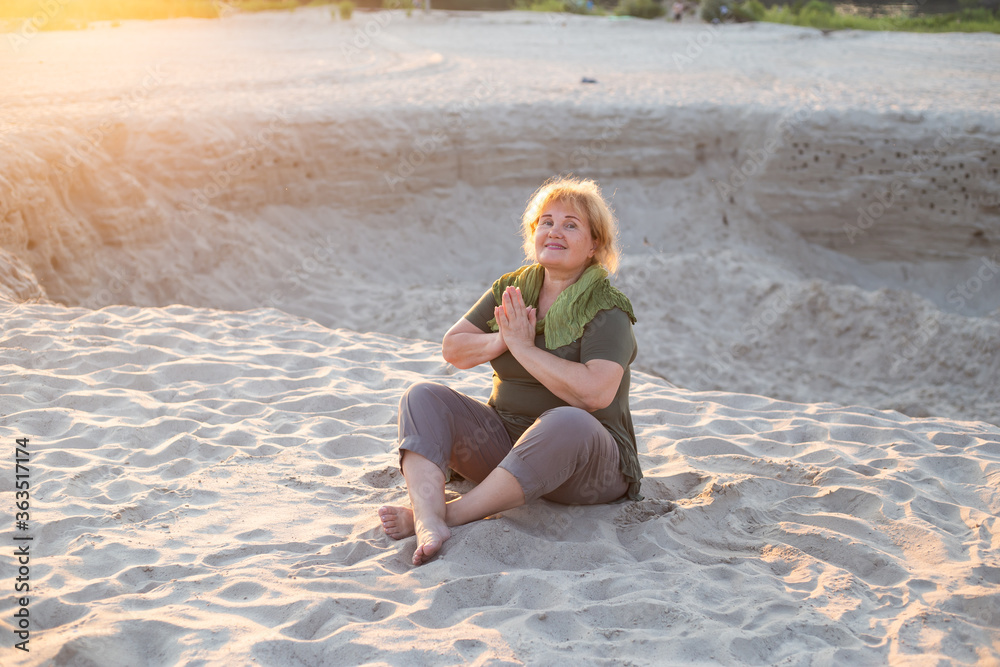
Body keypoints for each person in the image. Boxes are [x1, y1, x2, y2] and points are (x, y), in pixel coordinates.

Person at [378, 176, 642, 566]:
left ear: (594, 245)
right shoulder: (513, 290)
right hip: (507, 448)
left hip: (586, 467)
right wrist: (500, 341)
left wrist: (523, 346)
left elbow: (594, 394)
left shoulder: (607, 309)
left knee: (569, 420)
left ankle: (444, 515)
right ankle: (429, 513)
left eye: (571, 225)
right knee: (421, 396)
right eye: (546, 222)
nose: (555, 231)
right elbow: (454, 349)